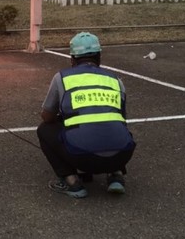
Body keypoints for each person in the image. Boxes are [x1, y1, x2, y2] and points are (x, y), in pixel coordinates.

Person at [37, 32, 136, 199]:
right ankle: (116, 175)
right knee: (112, 124)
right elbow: (121, 119)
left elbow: (47, 117)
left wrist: (66, 119)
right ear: (99, 56)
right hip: (122, 155)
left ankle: (72, 182)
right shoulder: (116, 80)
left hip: (82, 158)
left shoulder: (62, 78)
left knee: (44, 130)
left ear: (72, 59)